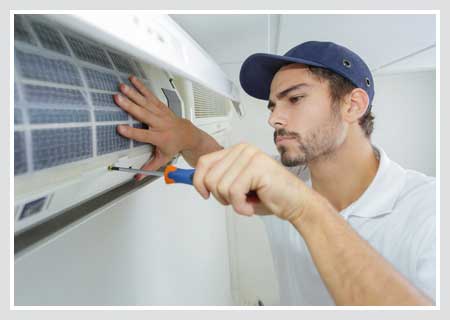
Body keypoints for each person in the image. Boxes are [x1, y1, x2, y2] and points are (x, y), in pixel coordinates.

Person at [114, 41, 436, 306]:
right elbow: (226, 164)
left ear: (352, 106)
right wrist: (185, 135)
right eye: (272, 105)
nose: (274, 119)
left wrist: (303, 208)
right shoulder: (289, 182)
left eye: (295, 98)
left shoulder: (430, 211)